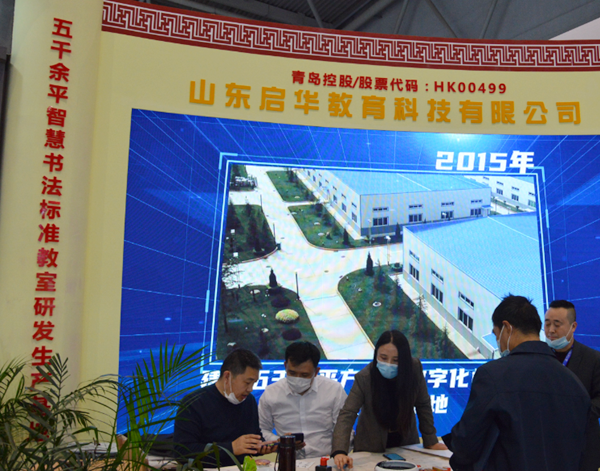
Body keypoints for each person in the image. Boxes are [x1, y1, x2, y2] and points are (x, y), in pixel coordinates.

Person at [443, 295, 590, 471]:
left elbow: (467, 442)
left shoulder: (493, 375)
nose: (498, 343)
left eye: (496, 334)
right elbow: (582, 451)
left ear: (507, 328)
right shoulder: (574, 383)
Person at [331, 330, 446, 470]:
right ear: (376, 354)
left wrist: (430, 440)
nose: (389, 364)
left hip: (406, 443)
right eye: (383, 358)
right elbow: (347, 413)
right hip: (371, 445)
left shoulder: (414, 368)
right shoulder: (364, 378)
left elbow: (423, 405)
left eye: (396, 360)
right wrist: (340, 451)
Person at [174, 349, 276, 467]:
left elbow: (252, 440)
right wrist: (231, 448)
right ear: (227, 376)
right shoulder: (194, 403)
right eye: (247, 383)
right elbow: (183, 452)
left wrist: (262, 447)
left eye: (254, 383)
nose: (250, 389)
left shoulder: (249, 401)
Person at [258, 341, 347, 458]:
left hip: (326, 459)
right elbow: (262, 429)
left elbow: (344, 428)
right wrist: (280, 441)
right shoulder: (271, 393)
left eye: (304, 375)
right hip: (288, 459)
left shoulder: (334, 390)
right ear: (285, 366)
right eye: (292, 373)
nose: (297, 379)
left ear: (316, 372)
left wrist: (339, 452)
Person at [545, 299, 600, 471]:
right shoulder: (538, 357)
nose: (551, 330)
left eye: (557, 324)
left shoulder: (593, 359)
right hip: (545, 446)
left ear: (573, 326)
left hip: (583, 448)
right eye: (547, 324)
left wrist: (574, 414)